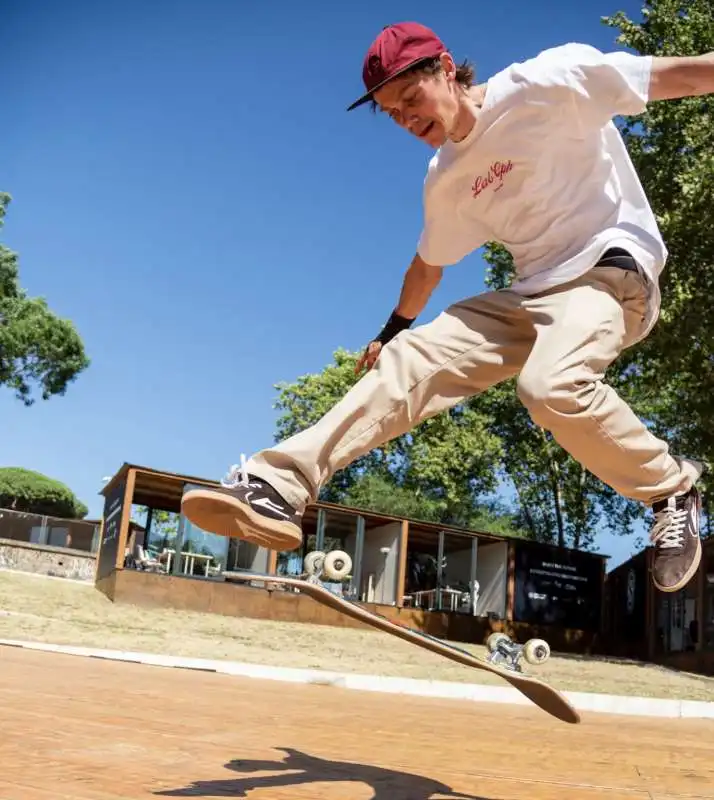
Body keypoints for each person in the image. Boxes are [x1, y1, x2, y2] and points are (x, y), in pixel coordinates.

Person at [182, 22, 714, 593]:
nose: (408, 119)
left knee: (549, 387)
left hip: (609, 274)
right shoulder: (447, 181)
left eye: (411, 98)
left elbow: (677, 73)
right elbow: (427, 268)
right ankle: (277, 485)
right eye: (393, 113)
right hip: (530, 295)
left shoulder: (549, 82)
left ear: (445, 67)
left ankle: (670, 486)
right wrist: (393, 329)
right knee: (409, 361)